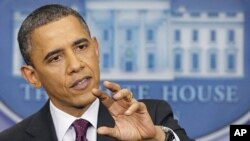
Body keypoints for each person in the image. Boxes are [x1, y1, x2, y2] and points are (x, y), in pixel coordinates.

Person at [0, 4, 194, 141]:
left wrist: (159, 139)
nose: (75, 65)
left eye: (81, 47)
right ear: (32, 76)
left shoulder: (154, 117)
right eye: (56, 58)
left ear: (96, 49)